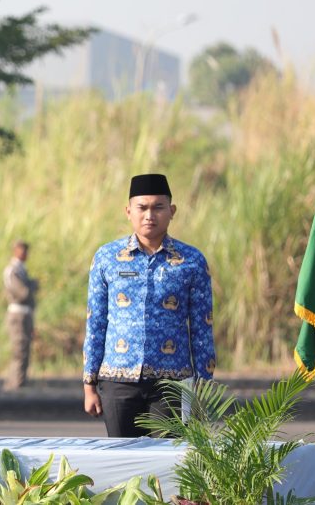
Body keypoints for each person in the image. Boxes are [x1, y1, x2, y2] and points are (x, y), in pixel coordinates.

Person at [82, 174, 215, 438]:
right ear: (128, 211)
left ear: (172, 211)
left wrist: (203, 387)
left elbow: (202, 328)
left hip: (171, 384)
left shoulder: (192, 260)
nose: (149, 215)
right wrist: (89, 384)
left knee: (167, 465)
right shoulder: (107, 258)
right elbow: (96, 322)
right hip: (118, 380)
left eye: (158, 207)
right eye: (142, 208)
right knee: (123, 465)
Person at [3, 240, 38, 390]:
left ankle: (19, 383)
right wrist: (31, 286)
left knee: (24, 349)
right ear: (15, 250)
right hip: (17, 314)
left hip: (25, 314)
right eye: (22, 250)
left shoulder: (21, 269)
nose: (25, 254)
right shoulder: (12, 270)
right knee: (19, 349)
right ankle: (15, 385)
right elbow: (22, 293)